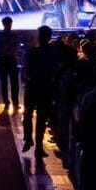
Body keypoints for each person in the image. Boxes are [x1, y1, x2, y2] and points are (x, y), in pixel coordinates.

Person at [22, 25, 58, 157]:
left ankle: (28, 139)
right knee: (41, 118)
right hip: (45, 87)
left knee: (28, 114)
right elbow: (55, 70)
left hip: (33, 86)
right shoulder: (53, 53)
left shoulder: (33, 52)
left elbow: (27, 69)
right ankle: (38, 146)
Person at [0, 16, 21, 111]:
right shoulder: (13, 35)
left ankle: (8, 102)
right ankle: (13, 102)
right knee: (12, 84)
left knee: (6, 84)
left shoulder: (0, 35)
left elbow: (0, 48)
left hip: (5, 61)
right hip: (9, 60)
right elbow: (16, 46)